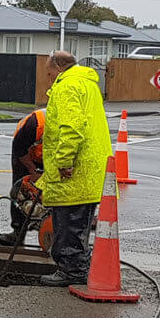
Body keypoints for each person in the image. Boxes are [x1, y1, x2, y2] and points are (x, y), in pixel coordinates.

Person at [35, 50, 111, 288]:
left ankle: (72, 270)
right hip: (91, 166)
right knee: (79, 221)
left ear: (58, 67)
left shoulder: (67, 87)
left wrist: (64, 161)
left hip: (76, 169)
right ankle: (77, 267)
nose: (48, 76)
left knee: (69, 222)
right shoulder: (86, 84)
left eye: (49, 71)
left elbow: (71, 128)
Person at [0, 108, 45, 246]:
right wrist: (32, 170)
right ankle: (18, 231)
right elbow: (19, 147)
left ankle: (49, 226)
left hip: (47, 154)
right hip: (25, 152)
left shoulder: (69, 127)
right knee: (21, 188)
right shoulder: (35, 124)